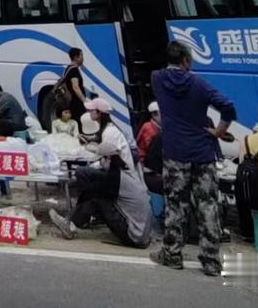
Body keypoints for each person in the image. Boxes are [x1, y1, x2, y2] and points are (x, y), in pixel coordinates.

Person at [150, 40, 236, 277]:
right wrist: (218, 131)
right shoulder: (199, 84)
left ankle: (172, 254)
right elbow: (228, 107)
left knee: (176, 204)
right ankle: (210, 260)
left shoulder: (157, 78)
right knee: (208, 204)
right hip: (202, 152)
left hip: (175, 152)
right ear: (186, 60)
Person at [49, 99, 151, 248]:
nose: (90, 113)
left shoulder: (117, 176)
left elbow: (96, 182)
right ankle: (74, 222)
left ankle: (71, 224)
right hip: (141, 234)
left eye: (92, 110)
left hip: (134, 236)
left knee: (94, 195)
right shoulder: (120, 171)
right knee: (93, 190)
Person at [56, 47, 88, 120]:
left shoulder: (68, 68)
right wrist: (85, 101)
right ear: (76, 57)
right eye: (81, 56)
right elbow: (75, 87)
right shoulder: (74, 70)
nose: (83, 58)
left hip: (72, 103)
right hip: (76, 103)